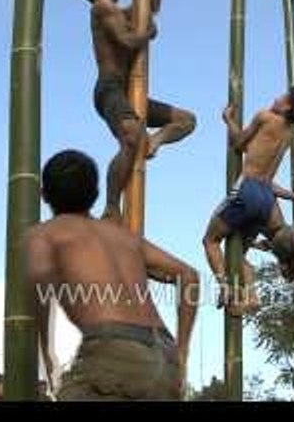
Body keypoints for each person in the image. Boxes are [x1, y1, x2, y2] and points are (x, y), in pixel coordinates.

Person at [26, 149, 199, 401]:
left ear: (44, 195)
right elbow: (189, 275)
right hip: (165, 356)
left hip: (114, 352)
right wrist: (181, 352)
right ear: (94, 194)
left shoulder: (45, 235)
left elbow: (39, 297)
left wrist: (47, 354)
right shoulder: (125, 237)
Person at [75, 0, 197, 221]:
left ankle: (153, 142)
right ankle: (111, 205)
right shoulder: (102, 8)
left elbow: (149, 6)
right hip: (111, 89)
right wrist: (147, 33)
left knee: (186, 121)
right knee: (131, 137)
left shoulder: (115, 11)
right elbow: (128, 40)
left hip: (130, 92)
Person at [203, 87, 294, 315]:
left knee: (210, 241)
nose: (276, 98)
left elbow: (238, 143)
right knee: (239, 256)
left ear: (287, 106)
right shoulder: (289, 134)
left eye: (281, 97)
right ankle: (252, 297)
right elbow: (268, 180)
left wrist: (228, 120)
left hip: (248, 190)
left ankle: (225, 286)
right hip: (266, 199)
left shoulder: (265, 116)